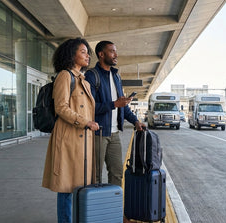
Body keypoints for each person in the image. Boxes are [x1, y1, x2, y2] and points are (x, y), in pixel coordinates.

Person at [42, 38, 99, 223]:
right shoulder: (65, 76)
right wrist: (86, 122)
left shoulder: (84, 81)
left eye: (87, 52)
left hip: (82, 140)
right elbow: (61, 107)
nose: (87, 55)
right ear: (71, 54)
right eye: (83, 51)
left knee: (80, 186)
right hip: (68, 139)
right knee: (67, 187)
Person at [85, 40, 145, 187]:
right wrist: (114, 104)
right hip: (98, 133)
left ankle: (113, 206)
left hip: (115, 134)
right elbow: (88, 107)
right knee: (95, 175)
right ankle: (95, 208)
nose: (116, 55)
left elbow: (122, 107)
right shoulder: (92, 76)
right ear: (101, 54)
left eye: (115, 51)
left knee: (117, 173)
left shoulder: (116, 76)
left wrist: (135, 121)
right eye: (112, 51)